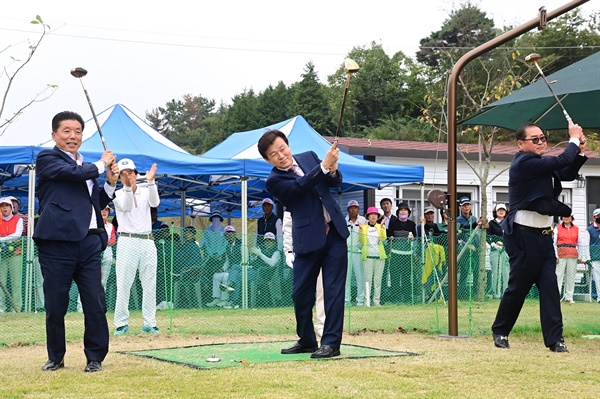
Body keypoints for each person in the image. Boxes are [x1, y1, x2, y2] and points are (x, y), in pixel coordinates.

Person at [492, 121, 587, 353]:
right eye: (535, 139)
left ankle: (555, 340)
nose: (541, 142)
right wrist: (573, 138)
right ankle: (501, 330)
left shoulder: (540, 164)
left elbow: (565, 172)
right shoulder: (523, 162)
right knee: (518, 288)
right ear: (521, 144)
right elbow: (562, 160)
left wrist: (580, 150)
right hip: (523, 237)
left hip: (544, 237)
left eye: (543, 137)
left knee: (550, 289)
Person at [34, 110, 118, 372]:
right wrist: (102, 165)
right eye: (67, 131)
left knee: (95, 302)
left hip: (90, 242)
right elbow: (71, 174)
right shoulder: (48, 158)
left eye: (78, 131)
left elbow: (95, 204)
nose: (73, 136)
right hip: (57, 242)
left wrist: (111, 183)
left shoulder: (87, 169)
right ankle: (55, 356)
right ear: (54, 135)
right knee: (56, 303)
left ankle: (95, 357)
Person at [258, 129, 348, 359]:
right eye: (273, 154)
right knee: (301, 293)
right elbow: (300, 187)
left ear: (288, 144)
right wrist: (324, 167)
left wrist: (333, 169)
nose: (280, 155)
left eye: (282, 148)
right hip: (307, 238)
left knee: (334, 291)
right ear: (268, 159)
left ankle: (331, 343)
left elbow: (333, 182)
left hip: (335, 233)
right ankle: (307, 339)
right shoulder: (274, 181)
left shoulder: (308, 156)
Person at [113, 158, 161, 336]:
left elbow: (155, 203)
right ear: (119, 177)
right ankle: (121, 323)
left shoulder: (145, 190)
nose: (128, 176)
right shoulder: (118, 193)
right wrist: (126, 187)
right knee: (124, 283)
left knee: (149, 283)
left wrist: (151, 181)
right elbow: (126, 206)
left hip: (147, 239)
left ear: (136, 174)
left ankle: (150, 323)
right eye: (123, 173)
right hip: (127, 239)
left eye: (130, 172)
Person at [283, 211, 325, 338]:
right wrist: (288, 250)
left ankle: (321, 325)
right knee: (301, 293)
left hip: (321, 249)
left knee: (322, 290)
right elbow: (288, 228)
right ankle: (304, 333)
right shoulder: (291, 202)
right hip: (302, 252)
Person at [553, 215, 587, 304]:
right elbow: (554, 243)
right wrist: (555, 255)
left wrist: (581, 256)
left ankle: (569, 297)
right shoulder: (557, 228)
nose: (566, 218)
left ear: (572, 218)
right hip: (561, 254)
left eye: (568, 217)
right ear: (561, 218)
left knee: (571, 277)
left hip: (572, 254)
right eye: (564, 217)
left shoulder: (576, 229)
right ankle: (556, 297)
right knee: (558, 276)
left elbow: (580, 243)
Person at [200, 211, 229, 308]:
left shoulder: (224, 231)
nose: (215, 220)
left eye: (217, 218)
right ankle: (213, 298)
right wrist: (212, 253)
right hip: (210, 260)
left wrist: (220, 253)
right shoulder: (207, 231)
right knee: (209, 278)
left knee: (221, 277)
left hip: (222, 259)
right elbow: (204, 244)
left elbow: (226, 243)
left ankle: (223, 299)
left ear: (220, 219)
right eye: (214, 218)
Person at [360, 207, 387, 307]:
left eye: (375, 214)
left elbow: (383, 239)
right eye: (371, 214)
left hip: (380, 257)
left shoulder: (380, 226)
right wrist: (361, 230)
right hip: (367, 257)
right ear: (368, 216)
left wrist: (383, 228)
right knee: (367, 280)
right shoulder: (363, 227)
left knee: (378, 280)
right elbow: (362, 241)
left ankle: (376, 301)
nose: (373, 216)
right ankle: (366, 302)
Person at [0, 197, 24, 312]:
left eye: (6, 206)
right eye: (2, 206)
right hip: (2, 254)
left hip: (15, 254)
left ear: (11, 208)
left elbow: (17, 234)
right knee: (1, 283)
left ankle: (17, 308)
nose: (4, 208)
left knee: (16, 282)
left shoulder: (18, 220)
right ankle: (2, 308)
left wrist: (2, 239)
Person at [391, 202, 418, 303]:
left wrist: (412, 238)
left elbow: (414, 237)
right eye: (401, 210)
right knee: (395, 276)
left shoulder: (412, 224)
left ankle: (407, 298)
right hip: (395, 253)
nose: (403, 212)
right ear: (398, 212)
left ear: (408, 212)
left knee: (406, 277)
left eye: (405, 210)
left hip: (407, 254)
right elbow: (390, 236)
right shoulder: (393, 223)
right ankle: (396, 298)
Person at [250, 232, 283, 307]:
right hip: (256, 273)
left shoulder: (276, 252)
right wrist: (252, 255)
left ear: (274, 242)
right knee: (238, 270)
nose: (268, 242)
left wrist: (260, 254)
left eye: (270, 240)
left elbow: (272, 263)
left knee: (241, 275)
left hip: (267, 276)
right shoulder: (262, 250)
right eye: (266, 240)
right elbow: (252, 261)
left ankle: (235, 298)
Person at [345, 200, 366, 306]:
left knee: (360, 277)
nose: (353, 210)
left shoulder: (363, 220)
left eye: (355, 207)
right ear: (348, 209)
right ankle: (346, 300)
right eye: (351, 207)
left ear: (358, 209)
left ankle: (360, 300)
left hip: (359, 252)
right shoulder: (344, 221)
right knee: (346, 277)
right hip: (347, 252)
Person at [486, 204, 509, 299]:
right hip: (495, 250)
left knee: (506, 272)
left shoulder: (508, 223)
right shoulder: (491, 223)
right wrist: (493, 244)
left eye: (503, 210)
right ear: (495, 211)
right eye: (499, 210)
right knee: (495, 272)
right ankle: (496, 293)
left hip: (506, 250)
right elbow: (488, 236)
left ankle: (506, 293)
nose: (501, 211)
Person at [586, 208, 600, 303]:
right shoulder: (589, 230)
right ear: (594, 217)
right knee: (597, 278)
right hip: (595, 257)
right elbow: (586, 244)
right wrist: (587, 257)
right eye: (598, 216)